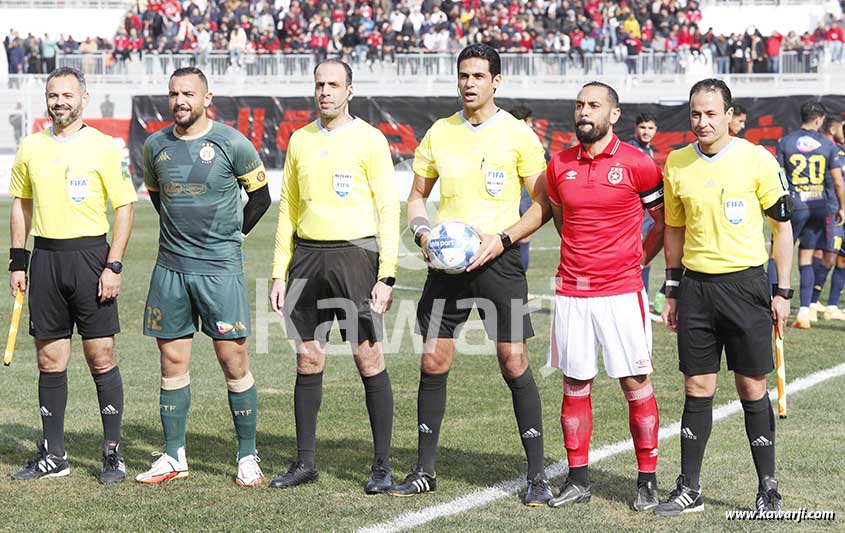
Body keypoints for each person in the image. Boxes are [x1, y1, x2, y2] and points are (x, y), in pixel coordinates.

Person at [389, 44, 553, 506]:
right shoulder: (440, 132)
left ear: (496, 81)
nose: (469, 83)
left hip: (499, 261)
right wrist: (423, 235)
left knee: (513, 362)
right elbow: (417, 197)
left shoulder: (519, 135)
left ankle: (537, 475)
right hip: (446, 265)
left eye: (478, 75)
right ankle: (424, 470)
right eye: (463, 75)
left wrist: (502, 239)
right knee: (433, 361)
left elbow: (543, 205)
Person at [656, 78, 794, 516]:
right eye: (695, 113)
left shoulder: (757, 159)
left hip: (747, 286)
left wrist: (783, 290)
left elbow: (782, 227)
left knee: (752, 386)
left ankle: (767, 487)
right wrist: (672, 288)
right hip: (696, 288)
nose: (702, 122)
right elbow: (673, 229)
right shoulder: (676, 163)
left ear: (730, 115)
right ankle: (689, 488)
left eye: (711, 113)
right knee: (697, 387)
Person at [267, 59, 400, 494]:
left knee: (368, 358)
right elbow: (287, 206)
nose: (325, 91)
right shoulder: (300, 140)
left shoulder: (371, 140)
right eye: (319, 84)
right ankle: (306, 463)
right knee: (308, 357)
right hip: (307, 256)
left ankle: (382, 465)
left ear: (349, 90)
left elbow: (388, 209)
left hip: (356, 256)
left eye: (333, 84)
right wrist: (278, 272)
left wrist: (388, 274)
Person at [135, 67, 272, 486]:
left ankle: (247, 456)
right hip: (171, 269)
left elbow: (261, 198)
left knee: (234, 360)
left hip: (219, 270)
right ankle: (174, 455)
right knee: (172, 360)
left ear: (207, 98)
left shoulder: (233, 143)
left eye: (189, 93)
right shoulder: (155, 145)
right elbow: (159, 199)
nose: (180, 100)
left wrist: (231, 237)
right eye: (174, 93)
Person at [8, 67, 136, 483]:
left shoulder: (104, 146)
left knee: (101, 356)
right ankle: (54, 455)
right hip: (45, 257)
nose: (59, 102)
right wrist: (17, 260)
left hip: (90, 257)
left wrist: (113, 264)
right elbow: (21, 204)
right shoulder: (31, 146)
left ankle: (112, 452)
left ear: (84, 97)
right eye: (52, 95)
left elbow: (124, 207)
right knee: (49, 359)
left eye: (67, 95)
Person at [545, 82, 665, 511]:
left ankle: (647, 481)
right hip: (573, 291)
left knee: (634, 382)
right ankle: (578, 480)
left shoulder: (639, 163)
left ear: (613, 115)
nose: (584, 112)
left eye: (594, 105)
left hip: (620, 292)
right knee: (575, 383)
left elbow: (665, 222)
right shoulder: (558, 165)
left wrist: (640, 261)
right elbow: (560, 216)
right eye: (579, 104)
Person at [773, 102, 844, 329]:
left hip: (795, 205)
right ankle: (804, 312)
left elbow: (779, 176)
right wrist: (842, 207)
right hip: (818, 206)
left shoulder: (786, 141)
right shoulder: (827, 145)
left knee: (777, 255)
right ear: (819, 118)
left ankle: (769, 304)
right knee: (806, 258)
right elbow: (837, 181)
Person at [627, 111, 666, 317]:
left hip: (650, 216)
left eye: (650, 128)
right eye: (642, 127)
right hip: (637, 216)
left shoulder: (648, 151)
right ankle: (634, 302)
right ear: (635, 128)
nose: (646, 132)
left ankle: (642, 300)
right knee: (636, 258)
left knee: (646, 259)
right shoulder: (631, 150)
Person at [807, 115, 845, 320]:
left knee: (842, 259)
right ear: (832, 129)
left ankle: (832, 307)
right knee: (828, 255)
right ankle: (811, 303)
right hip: (834, 211)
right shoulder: (830, 152)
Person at [509, 103, 537, 273]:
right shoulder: (528, 139)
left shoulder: (502, 136)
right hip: (523, 190)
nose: (532, 125)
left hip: (507, 192)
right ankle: (519, 278)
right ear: (524, 121)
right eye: (530, 121)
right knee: (524, 236)